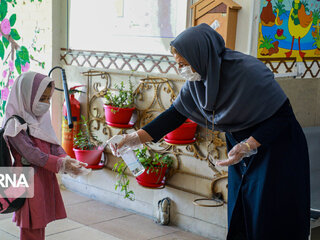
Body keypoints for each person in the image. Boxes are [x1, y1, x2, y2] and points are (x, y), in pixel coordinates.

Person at [110, 24, 310, 240]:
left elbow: (282, 119)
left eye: (185, 64)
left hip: (276, 147)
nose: (183, 71)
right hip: (241, 148)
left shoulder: (248, 72)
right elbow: (175, 114)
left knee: (269, 213)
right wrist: (132, 139)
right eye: (179, 65)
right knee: (242, 207)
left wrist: (248, 145)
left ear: (201, 57)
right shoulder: (198, 82)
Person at [2, 72, 88, 240]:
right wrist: (61, 165)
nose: (46, 104)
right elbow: (32, 154)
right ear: (27, 95)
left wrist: (67, 160)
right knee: (31, 227)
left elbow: (52, 144)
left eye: (48, 98)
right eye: (42, 98)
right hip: (28, 182)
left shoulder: (39, 119)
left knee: (39, 223)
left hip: (42, 178)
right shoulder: (14, 125)